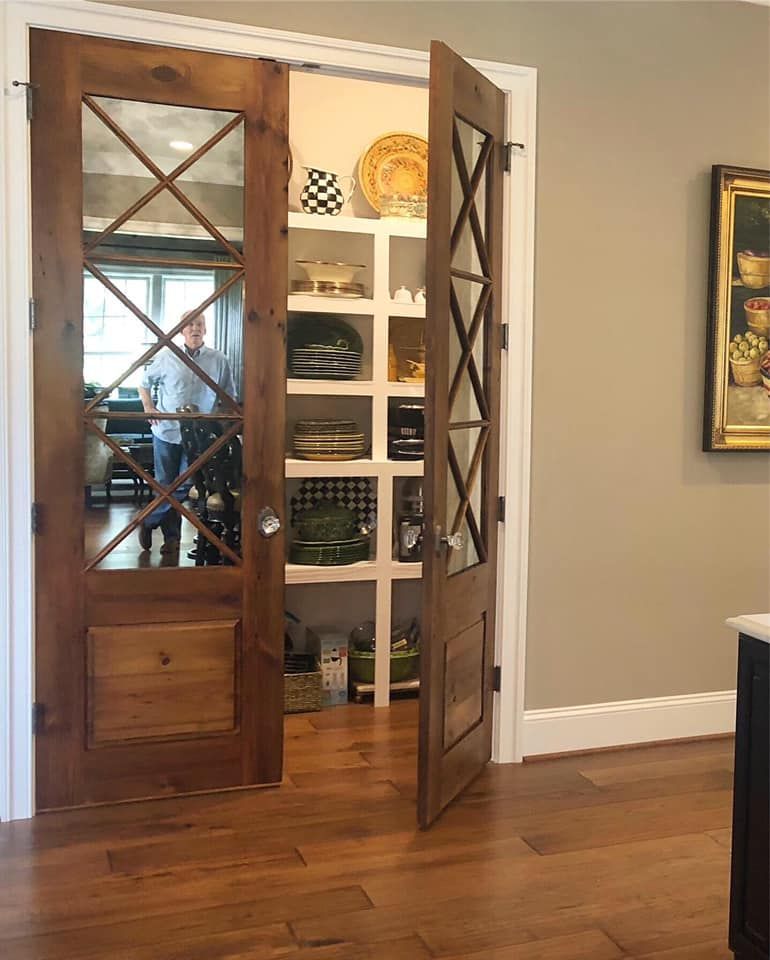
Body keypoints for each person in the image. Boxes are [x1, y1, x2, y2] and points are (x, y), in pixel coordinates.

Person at [138, 311, 236, 555]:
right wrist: (148, 407)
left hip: (201, 438)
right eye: (189, 325)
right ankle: (171, 539)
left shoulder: (219, 360)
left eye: (199, 324)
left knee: (189, 483)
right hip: (166, 432)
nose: (195, 328)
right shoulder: (166, 356)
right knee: (165, 484)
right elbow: (143, 383)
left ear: (205, 329)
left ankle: (148, 520)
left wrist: (220, 425)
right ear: (181, 331)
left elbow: (229, 396)